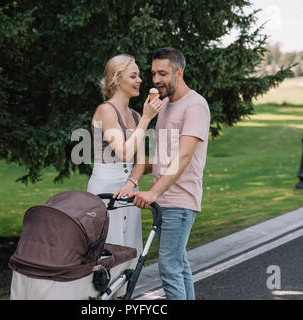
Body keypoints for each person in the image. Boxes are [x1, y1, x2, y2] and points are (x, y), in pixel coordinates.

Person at [132, 47, 211, 300]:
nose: (156, 80)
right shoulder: (164, 105)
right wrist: (132, 172)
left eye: (163, 73)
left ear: (179, 72)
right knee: (179, 265)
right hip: (164, 200)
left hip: (179, 201)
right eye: (154, 73)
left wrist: (153, 192)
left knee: (168, 268)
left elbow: (184, 156)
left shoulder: (195, 105)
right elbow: (161, 157)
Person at [87, 54, 162, 264]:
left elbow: (138, 161)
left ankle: (123, 296)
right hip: (105, 189)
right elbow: (124, 153)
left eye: (139, 75)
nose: (140, 80)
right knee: (108, 254)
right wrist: (148, 118)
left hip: (129, 191)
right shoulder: (105, 111)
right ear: (117, 80)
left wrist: (131, 184)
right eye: (133, 76)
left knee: (130, 251)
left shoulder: (136, 116)